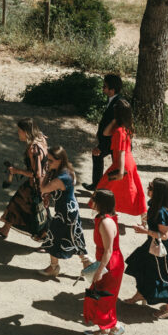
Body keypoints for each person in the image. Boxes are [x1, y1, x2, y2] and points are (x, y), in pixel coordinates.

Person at [123, 177, 168, 319]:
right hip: (153, 242)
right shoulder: (155, 205)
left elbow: (164, 235)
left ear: (157, 192)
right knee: (141, 265)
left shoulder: (163, 211)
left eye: (150, 188)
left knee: (163, 275)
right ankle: (141, 294)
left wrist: (145, 231)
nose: (148, 190)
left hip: (165, 249)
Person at [0, 118, 48, 241]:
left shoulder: (33, 149)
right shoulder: (41, 139)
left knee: (39, 212)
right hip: (42, 183)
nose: (18, 133)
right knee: (16, 204)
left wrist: (17, 171)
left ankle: (47, 241)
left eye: (19, 131)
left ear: (26, 132)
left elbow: (36, 173)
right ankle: (5, 229)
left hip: (35, 186)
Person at [90, 99, 146, 227]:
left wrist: (120, 171)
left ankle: (100, 214)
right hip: (129, 162)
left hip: (121, 164)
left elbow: (120, 152)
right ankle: (144, 216)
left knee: (103, 187)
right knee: (133, 189)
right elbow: (105, 133)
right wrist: (115, 120)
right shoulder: (127, 127)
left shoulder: (119, 131)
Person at [37, 146, 90, 277]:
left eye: (50, 161)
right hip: (72, 209)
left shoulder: (61, 178)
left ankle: (54, 267)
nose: (48, 163)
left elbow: (42, 188)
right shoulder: (68, 170)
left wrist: (48, 172)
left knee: (53, 236)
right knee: (75, 236)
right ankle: (87, 264)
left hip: (64, 212)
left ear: (60, 160)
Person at [83, 189, 125, 335]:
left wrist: (99, 271)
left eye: (94, 198)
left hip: (110, 266)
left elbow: (108, 250)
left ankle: (115, 327)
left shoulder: (106, 222)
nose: (91, 200)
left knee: (104, 299)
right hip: (105, 263)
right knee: (100, 296)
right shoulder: (102, 218)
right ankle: (103, 328)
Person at [83, 74, 122, 191]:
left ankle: (100, 187)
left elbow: (114, 129)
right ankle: (97, 185)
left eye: (105, 86)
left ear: (112, 90)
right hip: (111, 142)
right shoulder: (114, 100)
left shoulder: (118, 103)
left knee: (114, 166)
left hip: (113, 143)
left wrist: (102, 146)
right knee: (98, 156)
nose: (102, 88)